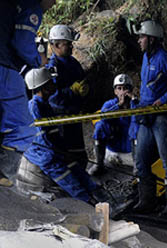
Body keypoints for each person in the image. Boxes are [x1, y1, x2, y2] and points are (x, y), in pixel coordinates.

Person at [22, 68, 104, 204]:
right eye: (51, 82)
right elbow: (43, 140)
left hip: (54, 151)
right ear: (43, 87)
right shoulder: (34, 107)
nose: (54, 84)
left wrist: (66, 151)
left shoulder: (44, 105)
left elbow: (53, 134)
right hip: (46, 156)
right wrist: (61, 155)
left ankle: (99, 194)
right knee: (69, 181)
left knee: (78, 170)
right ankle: (90, 203)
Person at [132, 20, 167, 217]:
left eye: (142, 37)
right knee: (141, 160)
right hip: (146, 116)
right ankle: (147, 201)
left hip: (162, 117)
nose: (139, 41)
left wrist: (164, 100)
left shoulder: (164, 58)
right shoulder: (147, 58)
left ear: (152, 39)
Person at [0, 0, 56, 179]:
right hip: (5, 68)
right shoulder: (31, 5)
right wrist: (38, 59)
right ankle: (3, 177)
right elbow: (22, 44)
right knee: (23, 128)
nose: (54, 3)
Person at [46, 24, 89, 170]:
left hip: (74, 113)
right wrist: (71, 91)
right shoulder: (52, 68)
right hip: (61, 117)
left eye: (71, 44)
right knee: (66, 155)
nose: (71, 47)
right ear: (56, 45)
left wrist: (84, 91)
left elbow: (82, 80)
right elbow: (52, 96)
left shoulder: (73, 62)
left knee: (79, 153)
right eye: (67, 44)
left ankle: (82, 180)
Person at [88, 74, 137, 176]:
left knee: (138, 126)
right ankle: (99, 164)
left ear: (131, 90)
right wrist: (119, 106)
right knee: (100, 125)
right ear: (115, 91)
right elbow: (103, 116)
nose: (122, 92)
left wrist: (134, 101)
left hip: (131, 152)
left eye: (125, 88)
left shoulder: (137, 105)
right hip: (112, 149)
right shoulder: (110, 104)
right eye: (119, 88)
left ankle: (138, 167)